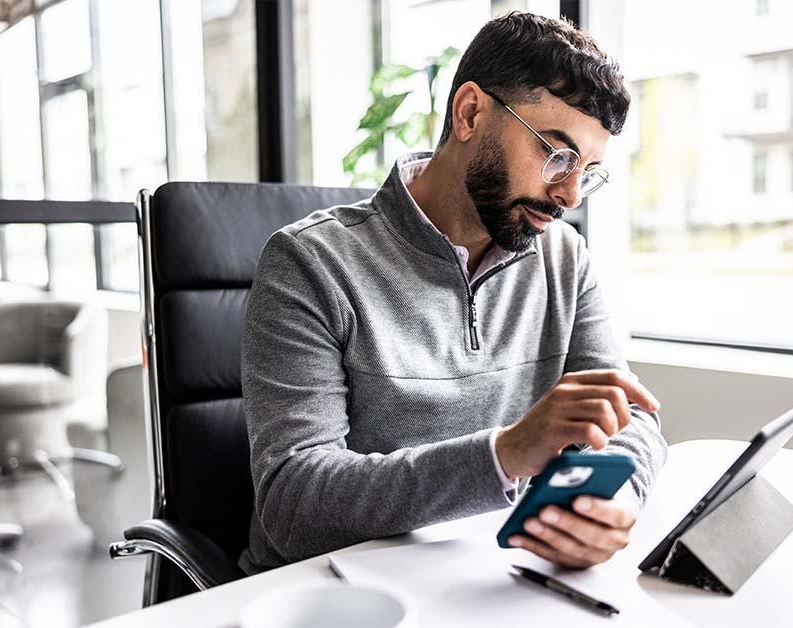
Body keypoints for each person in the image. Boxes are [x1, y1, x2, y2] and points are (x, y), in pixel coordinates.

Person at [239, 11, 667, 576]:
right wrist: (505, 454)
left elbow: (629, 415)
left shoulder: (563, 257)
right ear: (470, 113)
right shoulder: (309, 263)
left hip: (485, 581)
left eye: (587, 171)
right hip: (334, 596)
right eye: (556, 155)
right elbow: (292, 504)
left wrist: (612, 501)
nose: (569, 196)